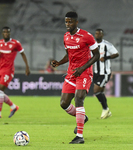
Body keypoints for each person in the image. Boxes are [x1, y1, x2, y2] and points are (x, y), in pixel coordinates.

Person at [51, 11, 100, 144]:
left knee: (79, 99)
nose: (68, 24)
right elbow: (69, 55)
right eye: (66, 21)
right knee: (64, 103)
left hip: (84, 72)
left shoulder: (86, 36)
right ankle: (82, 117)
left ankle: (79, 136)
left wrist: (82, 68)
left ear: (76, 22)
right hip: (71, 73)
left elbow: (96, 55)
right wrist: (59, 63)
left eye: (70, 21)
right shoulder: (66, 36)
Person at [0, 26, 30, 119]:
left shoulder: (15, 43)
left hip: (8, 70)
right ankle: (13, 107)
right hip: (0, 69)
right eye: (4, 32)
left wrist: (27, 67)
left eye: (7, 32)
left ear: (10, 33)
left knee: (0, 90)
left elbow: (23, 54)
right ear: (2, 33)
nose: (6, 34)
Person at [93, 29, 119, 119]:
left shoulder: (107, 44)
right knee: (100, 91)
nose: (97, 35)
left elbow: (116, 54)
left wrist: (106, 57)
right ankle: (107, 111)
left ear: (102, 35)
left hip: (104, 72)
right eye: (96, 33)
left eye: (99, 33)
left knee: (96, 90)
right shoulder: (93, 45)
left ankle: (105, 109)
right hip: (96, 71)